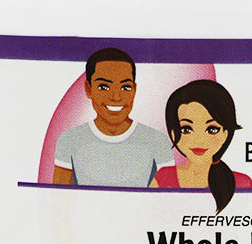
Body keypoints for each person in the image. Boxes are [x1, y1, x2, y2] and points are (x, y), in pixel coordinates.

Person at [53, 48, 172, 187]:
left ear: (134, 90)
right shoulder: (70, 140)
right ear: (89, 89)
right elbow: (59, 197)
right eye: (104, 87)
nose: (116, 97)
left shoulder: (157, 141)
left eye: (125, 87)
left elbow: (170, 197)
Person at [151, 80, 251, 211]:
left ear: (225, 134)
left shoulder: (241, 183)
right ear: (173, 133)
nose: (199, 140)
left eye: (211, 129)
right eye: (187, 129)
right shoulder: (162, 178)